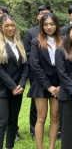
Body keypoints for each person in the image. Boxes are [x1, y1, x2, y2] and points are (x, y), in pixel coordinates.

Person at [27, 13, 62, 149]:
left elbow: (65, 64)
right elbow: (34, 65)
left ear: (56, 25)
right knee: (41, 117)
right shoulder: (36, 41)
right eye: (46, 24)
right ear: (41, 26)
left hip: (58, 83)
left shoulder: (63, 41)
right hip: (41, 82)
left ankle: (51, 147)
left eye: (51, 24)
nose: (49, 27)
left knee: (55, 117)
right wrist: (48, 86)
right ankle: (39, 147)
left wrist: (59, 85)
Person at [24, 5, 53, 139]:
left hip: (54, 78)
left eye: (47, 13)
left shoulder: (57, 36)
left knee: (54, 113)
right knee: (36, 108)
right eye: (41, 14)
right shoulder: (31, 33)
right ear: (38, 17)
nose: (44, 15)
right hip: (37, 75)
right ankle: (33, 130)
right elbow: (29, 55)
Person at [0, 14, 28, 149]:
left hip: (18, 90)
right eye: (6, 25)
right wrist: (12, 86)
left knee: (13, 122)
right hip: (3, 90)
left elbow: (25, 66)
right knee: (2, 122)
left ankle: (9, 147)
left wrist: (21, 84)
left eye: (12, 25)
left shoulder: (19, 44)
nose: (10, 28)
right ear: (1, 27)